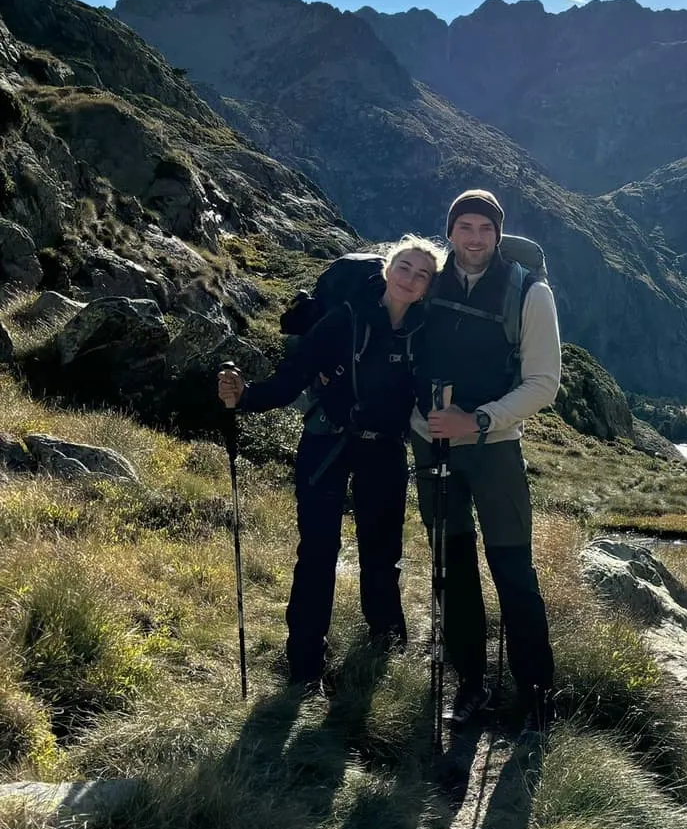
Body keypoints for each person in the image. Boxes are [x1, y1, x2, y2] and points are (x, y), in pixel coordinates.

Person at [218, 236, 442, 697]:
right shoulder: (343, 320)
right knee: (318, 552)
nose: (411, 278)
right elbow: (291, 377)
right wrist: (244, 398)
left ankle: (385, 647)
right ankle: (305, 667)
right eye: (405, 267)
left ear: (428, 287)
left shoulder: (426, 332)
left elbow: (432, 393)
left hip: (383, 451)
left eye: (422, 274)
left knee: (383, 554)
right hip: (328, 444)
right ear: (387, 270)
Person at [412, 188, 561, 728]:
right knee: (452, 568)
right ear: (449, 231)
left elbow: (545, 382)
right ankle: (471, 684)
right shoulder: (426, 281)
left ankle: (537, 691)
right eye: (465, 227)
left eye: (485, 228)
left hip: (493, 448)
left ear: (499, 234)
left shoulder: (528, 293)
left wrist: (476, 420)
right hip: (431, 443)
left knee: (512, 567)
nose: (475, 238)